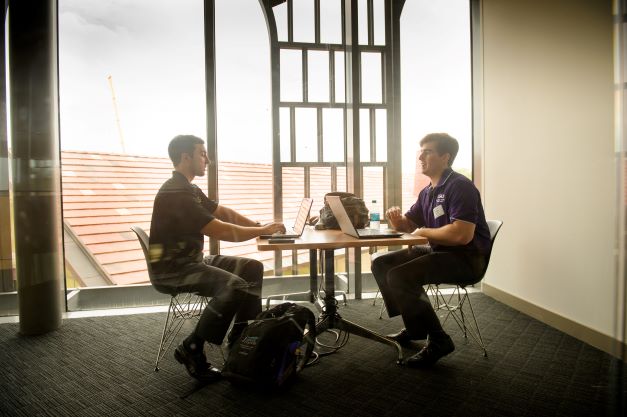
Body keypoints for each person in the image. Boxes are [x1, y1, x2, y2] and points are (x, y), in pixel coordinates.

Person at [149, 134, 286, 383]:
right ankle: (192, 347)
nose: (208, 160)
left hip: (193, 261)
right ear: (185, 157)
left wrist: (259, 225)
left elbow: (222, 211)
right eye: (202, 153)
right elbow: (220, 229)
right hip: (174, 269)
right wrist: (261, 232)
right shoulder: (176, 194)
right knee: (234, 286)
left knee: (252, 268)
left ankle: (242, 341)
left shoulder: (188, 188)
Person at [371, 133, 491, 368]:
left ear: (445, 157)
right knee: (381, 263)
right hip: (441, 253)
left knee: (400, 275)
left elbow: (461, 234)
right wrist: (396, 219)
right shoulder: (428, 192)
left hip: (467, 258)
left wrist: (423, 232)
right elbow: (409, 225)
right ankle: (416, 327)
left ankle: (438, 340)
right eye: (420, 152)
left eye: (427, 151)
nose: (420, 157)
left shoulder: (460, 186)